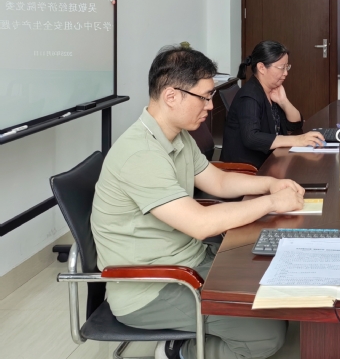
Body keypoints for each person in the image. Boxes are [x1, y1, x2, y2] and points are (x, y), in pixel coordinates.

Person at [92, 46, 305, 359]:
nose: (210, 106)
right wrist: (271, 202)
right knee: (265, 337)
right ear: (171, 96)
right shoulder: (141, 155)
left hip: (189, 259)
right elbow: (200, 223)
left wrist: (270, 183)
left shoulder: (176, 135)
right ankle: (177, 351)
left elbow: (217, 181)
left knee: (276, 290)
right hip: (153, 286)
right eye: (204, 97)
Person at [221, 40, 325, 168]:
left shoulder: (270, 90)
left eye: (287, 67)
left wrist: (283, 101)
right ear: (261, 68)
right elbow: (251, 137)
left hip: (270, 161)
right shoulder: (250, 96)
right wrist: (297, 140)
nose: (286, 73)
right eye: (281, 68)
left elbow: (295, 125)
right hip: (246, 169)